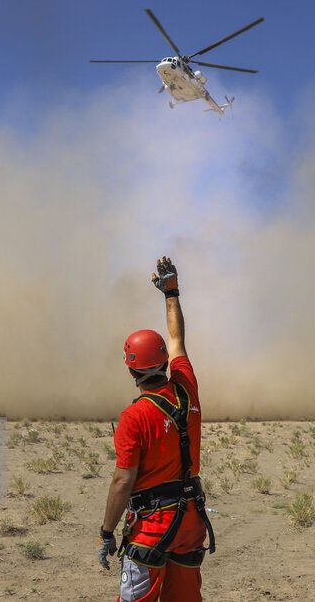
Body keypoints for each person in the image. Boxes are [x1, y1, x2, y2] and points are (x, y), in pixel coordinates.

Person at [97, 256, 214, 602]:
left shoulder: (134, 417)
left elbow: (122, 481)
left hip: (154, 527)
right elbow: (177, 339)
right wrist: (171, 292)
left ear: (131, 371)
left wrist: (107, 532)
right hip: (191, 521)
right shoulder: (185, 385)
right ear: (163, 361)